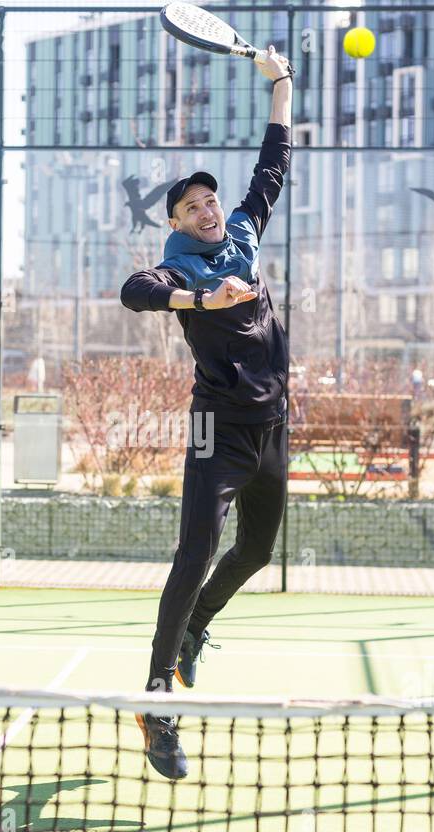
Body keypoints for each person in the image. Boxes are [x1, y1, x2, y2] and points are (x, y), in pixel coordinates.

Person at [119, 46, 294, 780]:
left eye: (209, 199)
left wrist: (281, 85)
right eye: (193, 206)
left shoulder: (245, 232)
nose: (208, 207)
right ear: (179, 224)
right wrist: (197, 300)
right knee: (193, 552)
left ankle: (194, 631)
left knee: (255, 552)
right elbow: (134, 291)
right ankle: (156, 699)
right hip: (212, 429)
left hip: (273, 425)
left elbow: (272, 167)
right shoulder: (181, 265)